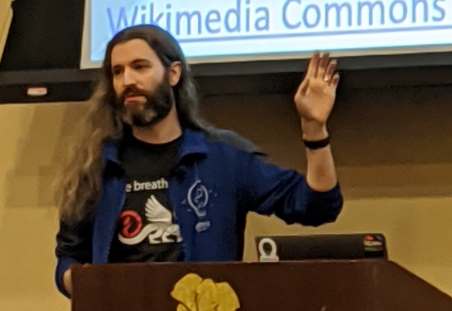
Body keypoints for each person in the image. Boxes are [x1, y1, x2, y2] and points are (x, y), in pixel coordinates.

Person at [52, 24, 343, 298]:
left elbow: (316, 206)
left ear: (173, 74)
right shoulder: (96, 167)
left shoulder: (223, 157)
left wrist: (314, 129)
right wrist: (89, 286)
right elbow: (70, 257)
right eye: (117, 72)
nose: (127, 81)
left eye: (140, 67)